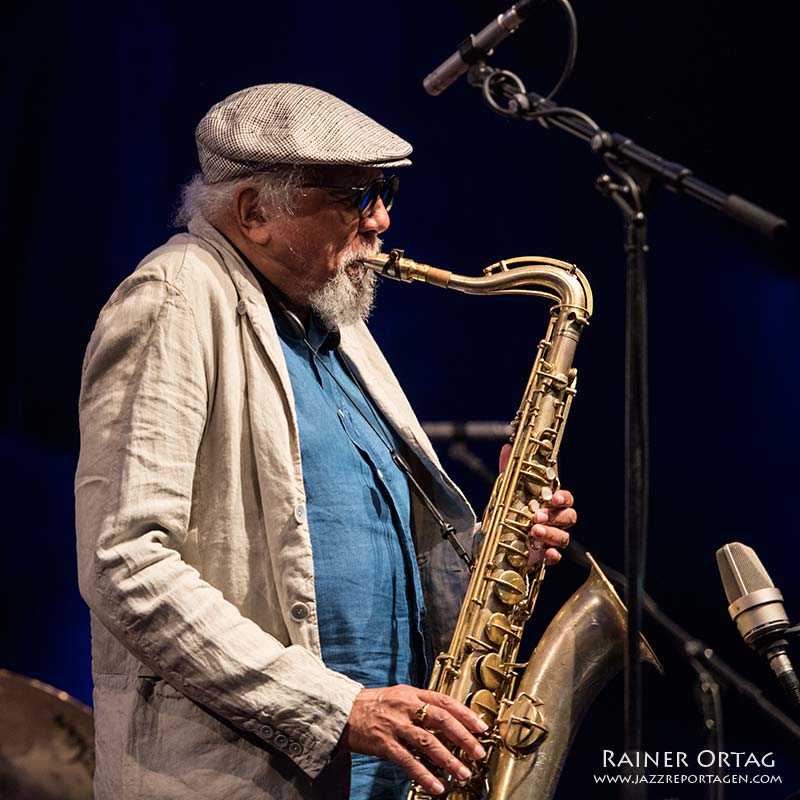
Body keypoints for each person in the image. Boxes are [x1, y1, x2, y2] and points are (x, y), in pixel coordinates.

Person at [75, 83, 577, 800]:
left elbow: (355, 552)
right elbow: (125, 563)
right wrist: (338, 709)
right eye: (355, 197)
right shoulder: (173, 297)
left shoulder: (336, 322)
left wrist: (500, 549)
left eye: (386, 192)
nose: (382, 219)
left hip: (390, 771)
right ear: (255, 212)